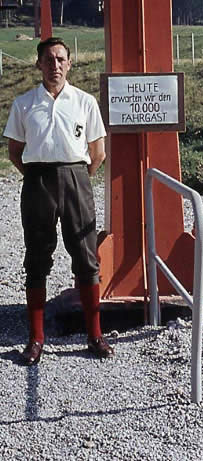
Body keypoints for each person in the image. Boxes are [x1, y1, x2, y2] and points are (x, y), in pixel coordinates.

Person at [4, 36, 114, 364]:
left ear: (69, 64)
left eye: (61, 59)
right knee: (37, 256)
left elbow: (98, 152)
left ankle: (94, 334)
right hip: (38, 179)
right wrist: (38, 176)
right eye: (49, 60)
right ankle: (36, 338)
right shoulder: (24, 104)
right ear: (38, 64)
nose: (55, 66)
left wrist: (77, 177)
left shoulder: (84, 102)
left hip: (76, 177)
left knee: (84, 254)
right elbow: (14, 151)